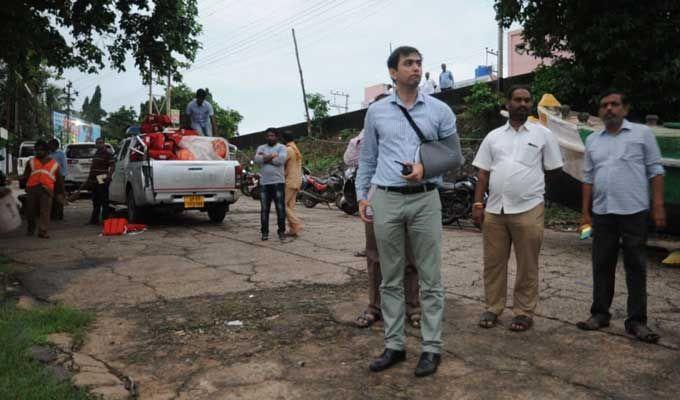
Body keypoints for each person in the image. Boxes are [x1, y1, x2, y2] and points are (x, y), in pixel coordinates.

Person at [357, 46, 463, 377]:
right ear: (393, 72)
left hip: (425, 198)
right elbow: (368, 158)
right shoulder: (376, 113)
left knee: (430, 277)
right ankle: (395, 345)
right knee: (390, 277)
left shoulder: (440, 110)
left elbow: (454, 156)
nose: (416, 68)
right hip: (386, 198)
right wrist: (362, 196)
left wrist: (423, 167)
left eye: (419, 63)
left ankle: (431, 348)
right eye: (408, 63)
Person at [472, 85, 563, 332]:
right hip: (494, 210)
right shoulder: (493, 137)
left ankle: (523, 312)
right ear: (508, 103)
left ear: (531, 104)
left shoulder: (543, 134)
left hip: (529, 208)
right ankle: (493, 308)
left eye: (526, 100)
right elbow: (483, 173)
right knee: (493, 263)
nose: (522, 103)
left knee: (527, 264)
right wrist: (478, 203)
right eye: (517, 99)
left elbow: (554, 170)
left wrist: (541, 198)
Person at [576, 90, 665, 343]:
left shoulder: (642, 134)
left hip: (634, 211)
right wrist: (585, 212)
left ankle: (637, 321)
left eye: (614, 105)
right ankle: (600, 314)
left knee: (635, 267)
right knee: (601, 264)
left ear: (625, 109)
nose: (609, 109)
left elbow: (656, 170)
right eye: (604, 105)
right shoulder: (593, 140)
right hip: (603, 212)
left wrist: (658, 206)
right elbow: (588, 178)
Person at [346, 129, 422, 330]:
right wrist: (364, 133)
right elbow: (350, 159)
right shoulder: (366, 140)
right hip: (374, 204)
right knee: (375, 258)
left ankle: (412, 307)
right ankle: (375, 307)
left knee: (409, 258)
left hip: (406, 202)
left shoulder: (407, 136)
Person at [22, 139, 64, 238]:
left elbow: (59, 180)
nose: (38, 152)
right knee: (30, 211)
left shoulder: (54, 164)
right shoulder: (30, 162)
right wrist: (24, 185)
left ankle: (43, 231)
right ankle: (31, 228)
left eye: (41, 150)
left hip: (47, 190)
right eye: (36, 150)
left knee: (45, 211)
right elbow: (26, 175)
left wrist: (61, 192)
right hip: (32, 188)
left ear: (46, 151)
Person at [254, 128, 288, 241]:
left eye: (272, 135)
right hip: (264, 183)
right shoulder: (261, 147)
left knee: (280, 208)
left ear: (277, 137)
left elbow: (281, 161)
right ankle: (264, 233)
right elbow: (257, 160)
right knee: (264, 209)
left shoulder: (282, 147)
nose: (270, 137)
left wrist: (265, 157)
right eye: (268, 136)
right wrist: (272, 156)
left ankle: (281, 232)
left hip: (278, 182)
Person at [83, 138, 114, 225]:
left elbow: (112, 166)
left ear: (103, 144)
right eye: (97, 143)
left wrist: (109, 175)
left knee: (104, 199)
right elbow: (93, 167)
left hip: (102, 178)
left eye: (100, 143)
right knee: (95, 199)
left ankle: (105, 219)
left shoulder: (107, 154)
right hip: (95, 179)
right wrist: (90, 177)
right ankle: (94, 219)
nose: (99, 145)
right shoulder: (97, 153)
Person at [282, 132, 303, 237]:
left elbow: (280, 162)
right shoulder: (295, 149)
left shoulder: (288, 150)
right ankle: (293, 230)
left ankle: (296, 223)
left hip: (290, 181)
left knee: (282, 204)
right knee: (290, 206)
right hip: (297, 180)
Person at [48, 138, 67, 220]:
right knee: (50, 195)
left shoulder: (61, 154)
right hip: (49, 178)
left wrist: (62, 177)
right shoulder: (47, 154)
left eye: (51, 145)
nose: (49, 146)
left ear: (56, 146)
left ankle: (59, 214)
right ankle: (52, 214)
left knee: (59, 196)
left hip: (59, 178)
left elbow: (64, 166)